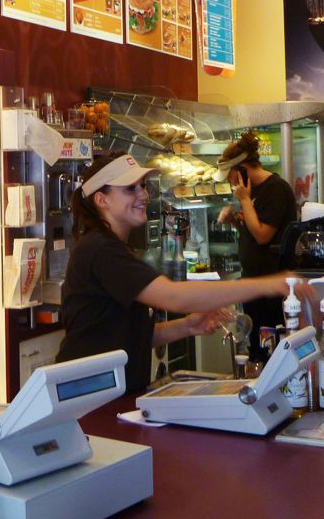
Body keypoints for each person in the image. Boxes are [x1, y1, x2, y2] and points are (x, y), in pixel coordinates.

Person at [55, 151, 297, 393]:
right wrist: (269, 284)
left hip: (108, 394)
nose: (144, 195)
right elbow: (174, 297)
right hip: (87, 396)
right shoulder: (100, 250)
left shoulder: (114, 249)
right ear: (102, 200)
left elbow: (127, 334)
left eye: (143, 186)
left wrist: (187, 326)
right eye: (130, 189)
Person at [214, 131, 298, 350]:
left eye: (230, 175)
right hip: (254, 284)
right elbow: (251, 231)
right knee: (255, 346)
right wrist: (234, 221)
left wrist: (244, 199)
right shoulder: (252, 191)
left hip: (271, 286)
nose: (230, 181)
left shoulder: (275, 189)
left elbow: (262, 235)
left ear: (241, 169)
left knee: (270, 347)